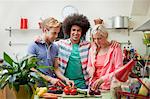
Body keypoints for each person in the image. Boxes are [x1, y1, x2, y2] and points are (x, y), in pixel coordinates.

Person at [27, 17, 73, 87]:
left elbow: (56, 68)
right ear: (45, 30)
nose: (56, 36)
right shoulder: (33, 45)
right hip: (37, 86)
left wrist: (66, 79)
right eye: (54, 33)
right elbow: (31, 69)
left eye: (57, 33)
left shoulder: (55, 47)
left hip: (51, 86)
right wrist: (49, 79)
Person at [87, 24, 123, 91]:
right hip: (94, 87)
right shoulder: (92, 50)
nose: (97, 41)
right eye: (94, 38)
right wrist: (91, 71)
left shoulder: (115, 48)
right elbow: (89, 66)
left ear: (106, 36)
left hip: (110, 87)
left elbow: (119, 71)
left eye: (99, 38)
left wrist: (103, 79)